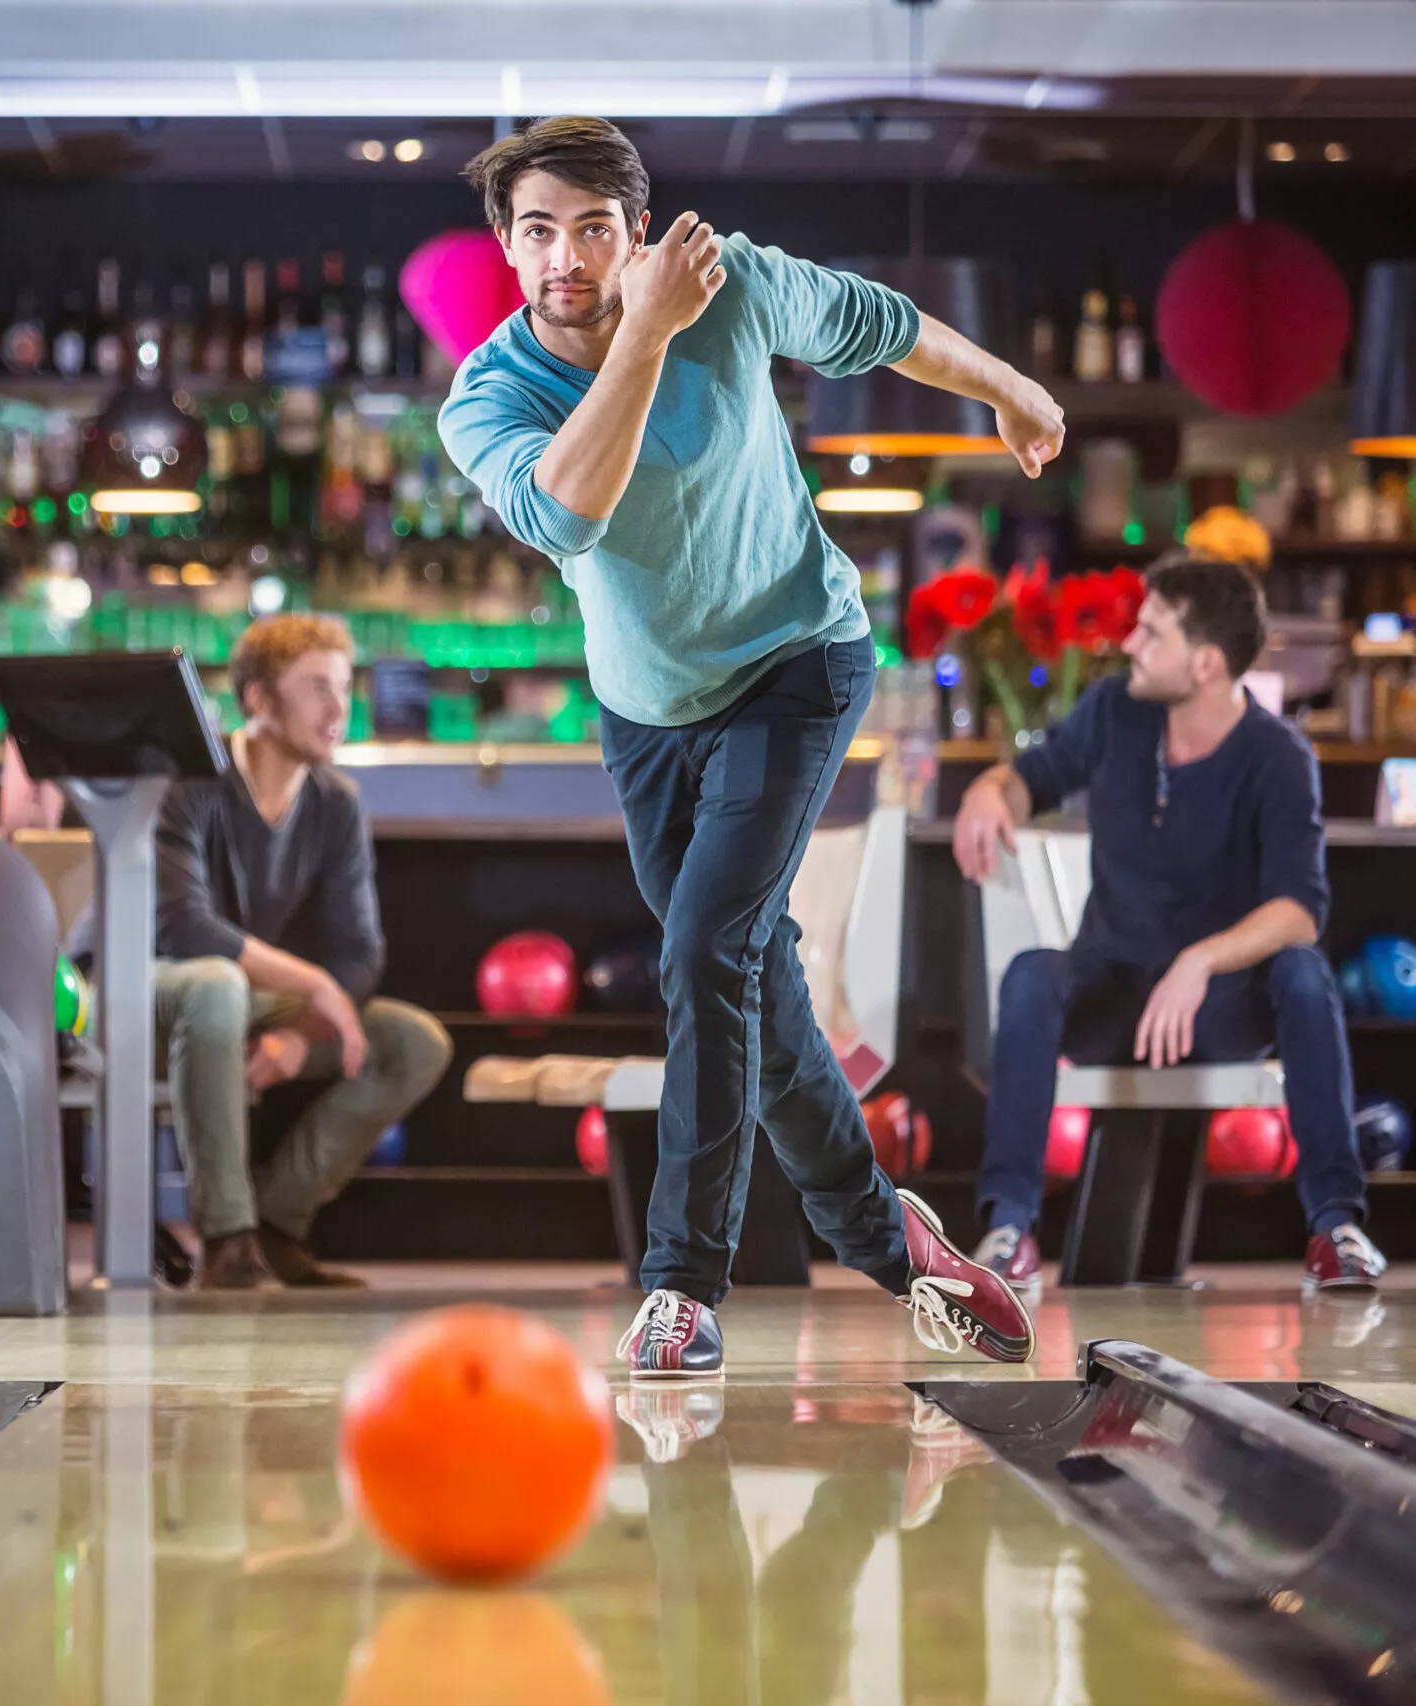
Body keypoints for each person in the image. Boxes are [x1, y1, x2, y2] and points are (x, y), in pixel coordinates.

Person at [438, 116, 1059, 1378]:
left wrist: (1013, 389)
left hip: (798, 660)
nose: (568, 257)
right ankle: (899, 1246)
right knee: (745, 976)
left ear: (636, 230)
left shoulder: (731, 282)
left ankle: (680, 1287)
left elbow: (885, 324)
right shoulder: (488, 393)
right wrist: (647, 333)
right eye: (540, 231)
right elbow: (565, 513)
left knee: (706, 947)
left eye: (595, 229)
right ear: (505, 246)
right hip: (646, 709)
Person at [953, 555, 1387, 1296]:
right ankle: (1007, 1232)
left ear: (1208, 663)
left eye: (1153, 634)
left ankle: (1336, 1228)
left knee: (1304, 974)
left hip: (1215, 1009)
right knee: (1032, 972)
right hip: (1113, 990)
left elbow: (1299, 911)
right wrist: (989, 794)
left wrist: (1201, 962)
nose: (1131, 646)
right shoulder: (1116, 711)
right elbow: (1033, 779)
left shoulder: (1279, 757)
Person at [155, 614, 454, 1289]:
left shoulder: (335, 803)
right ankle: (227, 1244)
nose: (339, 708)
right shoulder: (190, 782)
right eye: (316, 687)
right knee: (215, 984)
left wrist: (297, 1031)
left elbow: (359, 956)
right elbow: (184, 928)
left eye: (344, 688)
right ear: (258, 700)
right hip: (142, 996)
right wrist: (314, 988)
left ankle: (274, 1228)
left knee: (411, 1043)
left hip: (243, 1004)